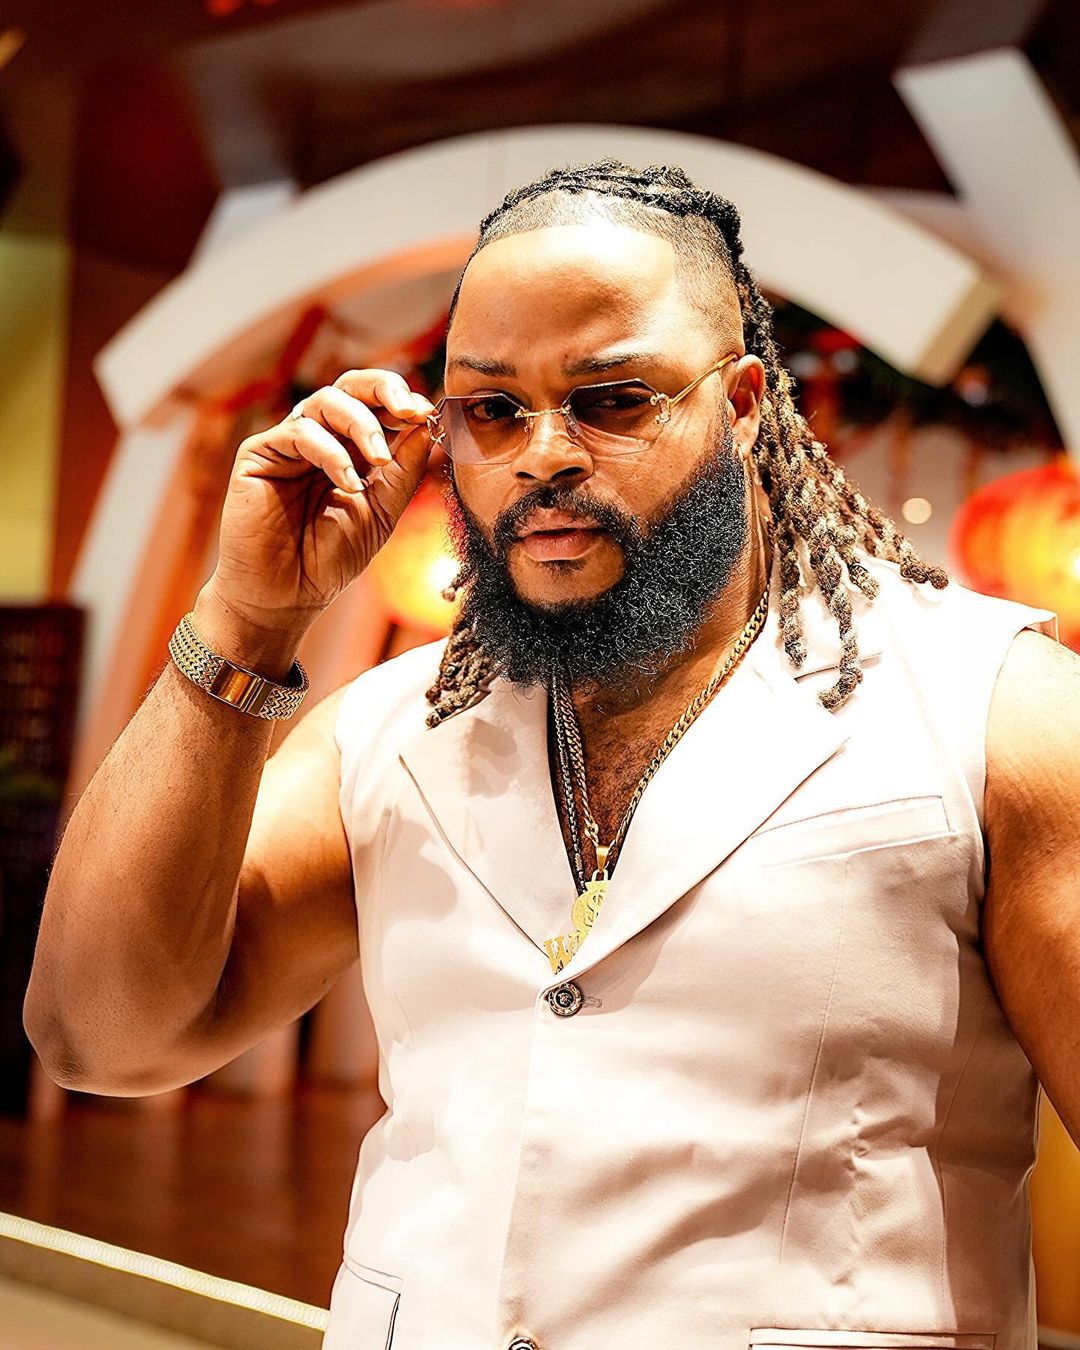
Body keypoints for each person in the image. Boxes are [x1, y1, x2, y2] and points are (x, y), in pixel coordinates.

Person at [24, 159, 1080, 1350]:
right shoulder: (392, 728)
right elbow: (98, 1036)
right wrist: (246, 619)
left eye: (611, 399)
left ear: (741, 404)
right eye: (491, 409)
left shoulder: (994, 712)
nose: (542, 454)